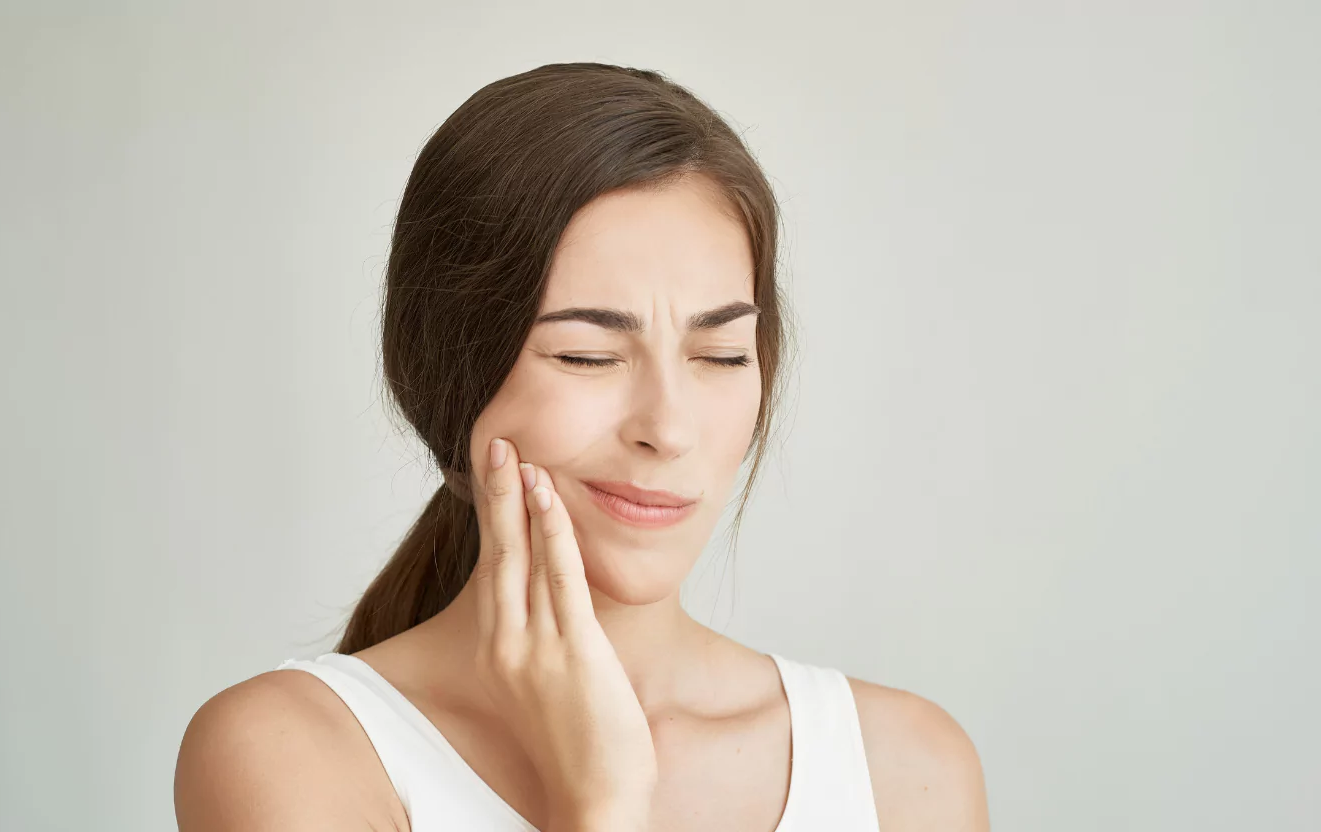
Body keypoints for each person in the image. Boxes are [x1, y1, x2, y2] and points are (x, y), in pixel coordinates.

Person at [173, 62, 989, 831]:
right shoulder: (292, 751)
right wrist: (596, 800)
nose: (667, 430)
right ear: (447, 376)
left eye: (721, 357)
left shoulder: (906, 771)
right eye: (587, 358)